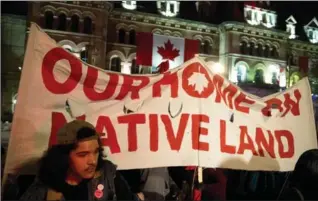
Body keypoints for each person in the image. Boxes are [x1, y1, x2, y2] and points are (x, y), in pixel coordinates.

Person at [19, 120, 135, 201]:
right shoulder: (45, 185)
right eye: (83, 154)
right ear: (63, 156)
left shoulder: (109, 176)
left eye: (96, 152)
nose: (92, 161)